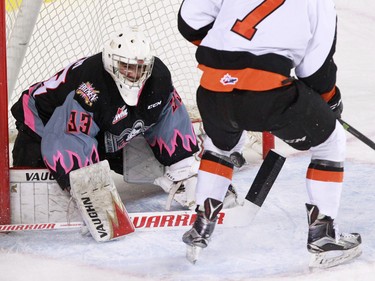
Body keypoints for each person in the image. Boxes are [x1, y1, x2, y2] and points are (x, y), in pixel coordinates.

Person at [177, 0, 361, 266]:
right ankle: (323, 237)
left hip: (212, 90)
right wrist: (329, 101)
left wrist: (234, 53)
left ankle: (201, 227)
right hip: (267, 95)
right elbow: (315, 69)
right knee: (330, 140)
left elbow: (190, 20)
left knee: (221, 145)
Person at [10, 26, 200, 209]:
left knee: (147, 156)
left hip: (102, 127)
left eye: (140, 68)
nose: (134, 74)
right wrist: (88, 188)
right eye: (127, 67)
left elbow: (169, 113)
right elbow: (70, 134)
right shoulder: (91, 88)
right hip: (42, 122)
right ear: (112, 62)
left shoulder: (158, 77)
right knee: (33, 199)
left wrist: (182, 166)